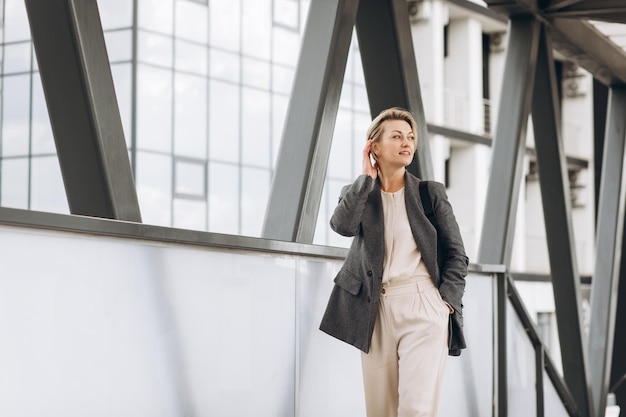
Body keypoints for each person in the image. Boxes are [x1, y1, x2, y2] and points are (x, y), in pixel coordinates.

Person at [319, 107, 468, 417]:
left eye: (410, 137)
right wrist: (365, 178)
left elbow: (457, 254)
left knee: (416, 409)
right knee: (381, 410)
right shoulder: (358, 194)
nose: (407, 143)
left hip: (423, 305)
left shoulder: (429, 194)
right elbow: (342, 226)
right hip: (374, 309)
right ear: (375, 146)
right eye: (397, 136)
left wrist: (446, 304)